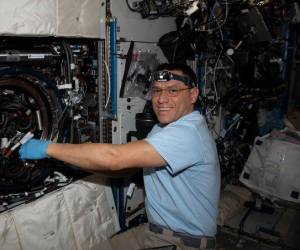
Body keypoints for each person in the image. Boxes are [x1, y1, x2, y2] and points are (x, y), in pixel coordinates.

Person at [19, 63, 220, 250]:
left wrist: (48, 149)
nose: (161, 99)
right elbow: (125, 168)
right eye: (157, 90)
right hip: (156, 230)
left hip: (182, 242)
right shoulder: (163, 129)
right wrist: (74, 161)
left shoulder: (188, 133)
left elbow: (114, 158)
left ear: (193, 95)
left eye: (173, 90)